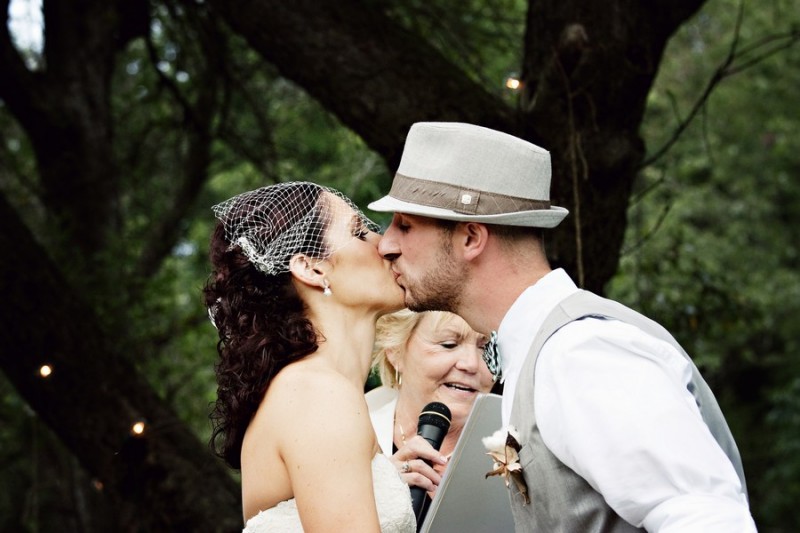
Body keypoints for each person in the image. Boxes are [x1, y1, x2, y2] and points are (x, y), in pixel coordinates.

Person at [367, 122, 756, 532]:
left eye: (405, 226)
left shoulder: (582, 352)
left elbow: (706, 518)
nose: (386, 244)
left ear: (471, 238)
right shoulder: (540, 353)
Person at [204, 181, 415, 532]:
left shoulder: (315, 389)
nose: (386, 244)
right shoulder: (317, 395)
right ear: (312, 268)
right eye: (360, 233)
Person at [367, 309, 497, 524]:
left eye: (485, 347)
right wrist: (381, 495)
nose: (471, 364)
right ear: (396, 350)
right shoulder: (353, 426)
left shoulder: (519, 448)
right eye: (448, 344)